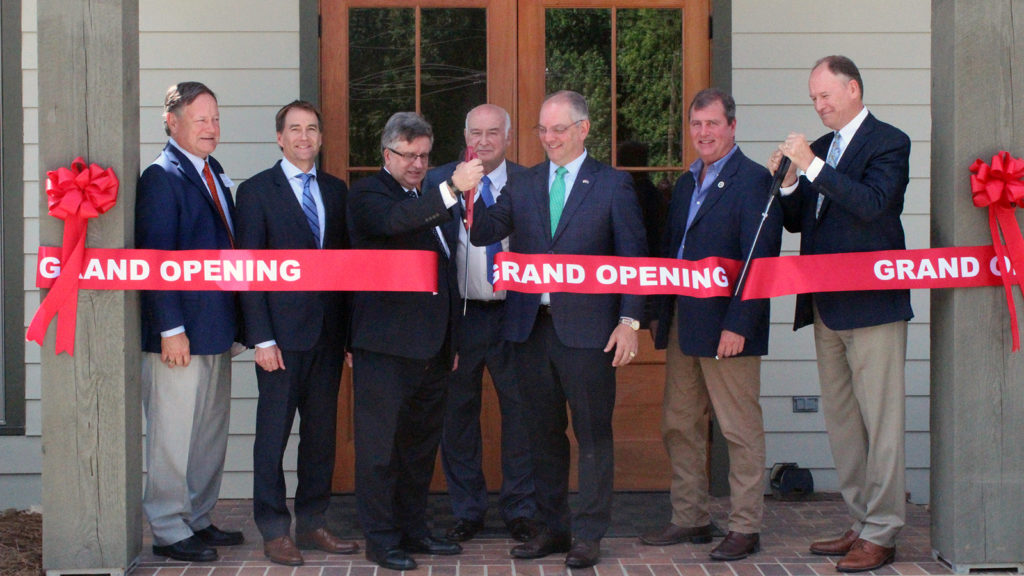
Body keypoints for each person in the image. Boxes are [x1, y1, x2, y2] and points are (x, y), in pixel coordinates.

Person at [470, 90, 648, 568]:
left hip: (589, 333)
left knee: (593, 435)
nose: (549, 138)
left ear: (583, 129)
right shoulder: (525, 183)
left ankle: (589, 534)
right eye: (542, 130)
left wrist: (630, 322)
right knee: (541, 435)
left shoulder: (612, 184)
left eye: (559, 129)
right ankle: (553, 528)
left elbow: (633, 259)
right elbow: (483, 231)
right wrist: (467, 191)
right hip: (530, 329)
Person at [769, 55, 912, 573]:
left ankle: (884, 530)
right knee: (845, 424)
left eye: (825, 95)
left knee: (882, 422)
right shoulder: (821, 150)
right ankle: (860, 522)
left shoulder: (890, 141)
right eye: (813, 98)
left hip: (873, 304)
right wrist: (786, 181)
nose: (819, 105)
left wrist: (810, 166)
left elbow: (874, 204)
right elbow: (795, 222)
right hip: (825, 304)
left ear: (853, 88)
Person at [640, 88, 781, 561]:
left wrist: (739, 322)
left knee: (739, 429)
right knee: (679, 423)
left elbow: (761, 258)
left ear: (732, 126)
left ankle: (745, 527)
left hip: (729, 325)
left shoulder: (756, 180)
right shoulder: (684, 183)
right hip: (684, 319)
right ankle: (691, 518)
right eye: (696, 124)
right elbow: (671, 251)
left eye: (712, 124)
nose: (703, 133)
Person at [347, 111, 484, 571]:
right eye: (409, 155)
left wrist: (453, 340)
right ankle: (381, 539)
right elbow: (394, 224)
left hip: (434, 348)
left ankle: (413, 529)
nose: (418, 164)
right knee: (379, 451)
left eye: (425, 156)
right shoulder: (369, 194)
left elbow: (445, 276)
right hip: (385, 349)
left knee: (419, 449)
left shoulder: (428, 198)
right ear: (387, 154)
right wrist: (451, 189)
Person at [234, 100, 359, 565]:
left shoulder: (335, 190)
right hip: (279, 342)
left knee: (321, 437)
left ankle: (312, 523)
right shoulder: (256, 191)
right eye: (294, 129)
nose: (304, 137)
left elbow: (345, 269)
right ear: (279, 138)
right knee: (273, 436)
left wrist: (348, 336)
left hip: (327, 337)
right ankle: (273, 529)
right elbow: (246, 271)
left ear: (321, 138)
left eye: (312, 129)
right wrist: (261, 339)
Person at [136, 82, 243, 562]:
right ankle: (167, 527)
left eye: (216, 118)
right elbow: (155, 258)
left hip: (217, 330)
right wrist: (170, 329)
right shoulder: (161, 177)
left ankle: (197, 519)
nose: (211, 128)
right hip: (178, 335)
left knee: (207, 433)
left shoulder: (213, 172)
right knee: (172, 435)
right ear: (172, 121)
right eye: (200, 119)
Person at [423, 104, 539, 544]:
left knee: (522, 415)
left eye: (493, 132)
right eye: (476, 132)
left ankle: (520, 509)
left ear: (508, 138)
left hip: (515, 314)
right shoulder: (441, 183)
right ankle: (467, 510)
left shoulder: (530, 182)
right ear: (465, 137)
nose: (485, 141)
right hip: (461, 316)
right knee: (457, 416)